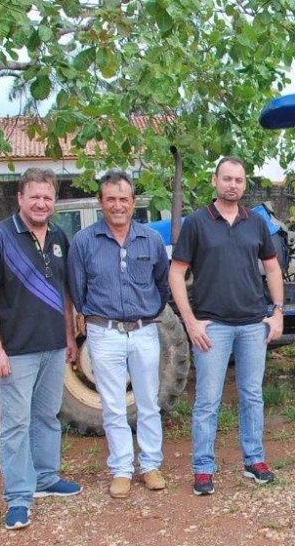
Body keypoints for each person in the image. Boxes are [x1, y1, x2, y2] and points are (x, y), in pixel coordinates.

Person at [0, 168, 82, 530]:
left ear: (54, 201)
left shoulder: (59, 236)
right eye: (34, 196)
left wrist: (68, 335)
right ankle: (18, 497)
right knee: (15, 424)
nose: (41, 203)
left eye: (47, 197)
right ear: (20, 198)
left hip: (52, 346)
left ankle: (46, 478)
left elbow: (64, 293)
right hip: (15, 350)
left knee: (47, 416)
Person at [169, 156, 284, 495]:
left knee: (252, 395)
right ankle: (203, 468)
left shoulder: (256, 223)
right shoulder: (196, 223)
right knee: (207, 399)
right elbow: (176, 273)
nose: (233, 185)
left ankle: (254, 460)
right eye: (227, 178)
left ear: (245, 185)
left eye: (239, 180)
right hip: (212, 327)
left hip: (252, 325)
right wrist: (190, 322)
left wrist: (277, 312)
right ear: (215, 181)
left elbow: (273, 269)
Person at [67, 169, 170, 499]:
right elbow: (76, 289)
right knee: (112, 405)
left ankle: (151, 465)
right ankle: (122, 469)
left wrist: (147, 311)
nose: (117, 205)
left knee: (148, 402)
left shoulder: (150, 240)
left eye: (123, 199)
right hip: (104, 332)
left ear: (133, 202)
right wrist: (94, 318)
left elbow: (162, 285)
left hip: (143, 331)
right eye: (110, 199)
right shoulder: (84, 241)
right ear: (100, 202)